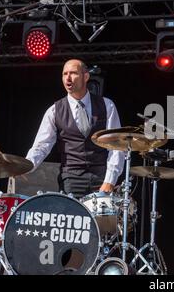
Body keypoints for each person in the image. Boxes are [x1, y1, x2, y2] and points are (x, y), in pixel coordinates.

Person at [25, 59, 125, 199]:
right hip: (71, 179)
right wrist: (25, 167)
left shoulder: (107, 106)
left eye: (73, 73)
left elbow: (117, 146)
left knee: (101, 221)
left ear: (86, 77)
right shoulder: (54, 110)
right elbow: (41, 146)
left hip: (101, 177)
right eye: (64, 74)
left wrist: (110, 180)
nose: (68, 78)